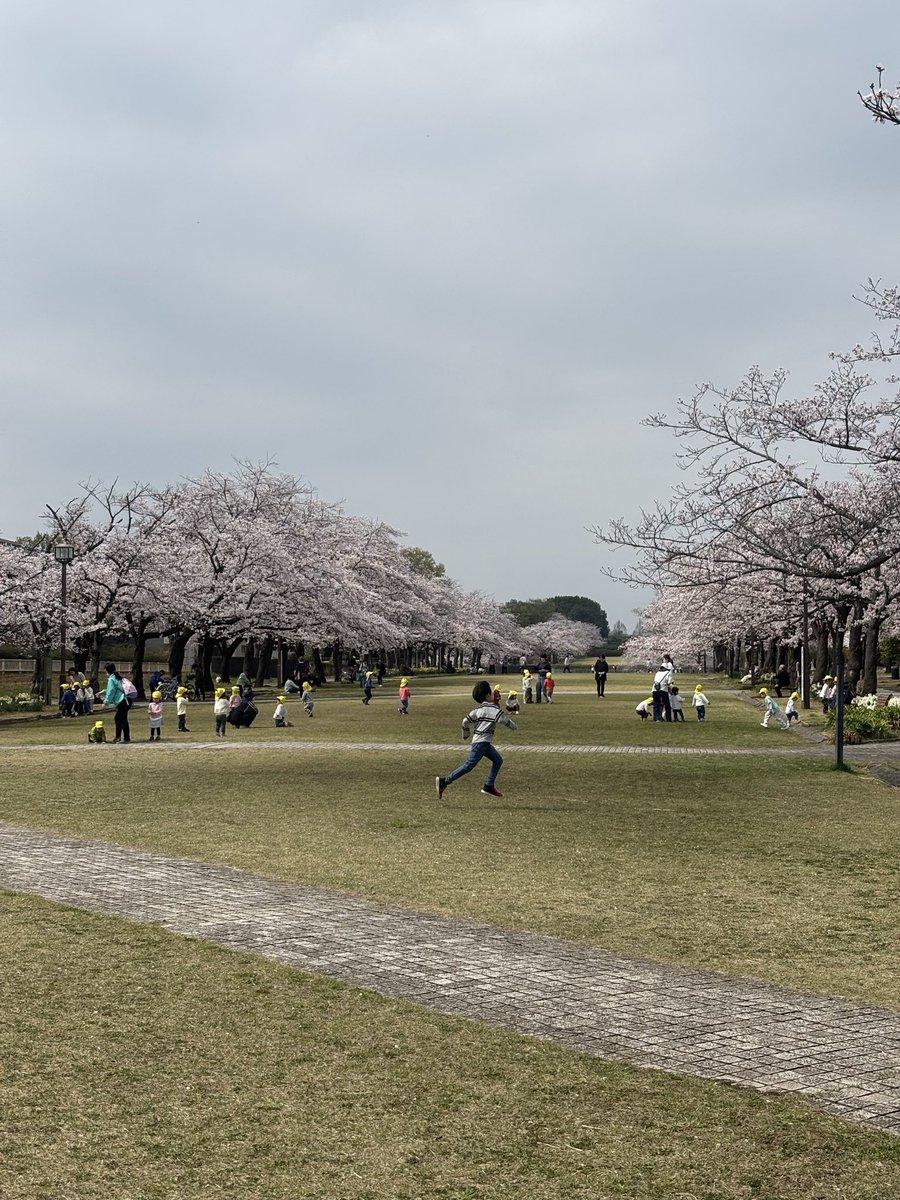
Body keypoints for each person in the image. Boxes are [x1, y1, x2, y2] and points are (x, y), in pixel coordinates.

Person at [435, 680, 517, 799]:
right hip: (481, 743)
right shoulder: (494, 710)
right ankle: (444, 781)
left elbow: (465, 721)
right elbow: (504, 720)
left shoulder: (478, 709)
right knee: (468, 766)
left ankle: (489, 786)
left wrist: (466, 734)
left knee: (498, 760)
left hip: (482, 742)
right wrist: (514, 727)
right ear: (488, 695)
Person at [103, 663, 131, 743]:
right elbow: (115, 688)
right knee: (122, 719)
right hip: (126, 700)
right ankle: (124, 737)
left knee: (119, 719)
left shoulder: (111, 679)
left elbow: (111, 691)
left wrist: (106, 702)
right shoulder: (118, 677)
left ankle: (120, 737)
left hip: (122, 700)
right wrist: (103, 691)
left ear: (107, 671)